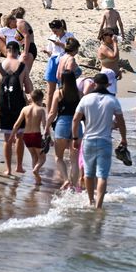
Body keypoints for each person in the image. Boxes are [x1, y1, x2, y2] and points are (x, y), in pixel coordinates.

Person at [71, 72, 128, 208]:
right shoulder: (112, 100)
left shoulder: (86, 99)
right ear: (108, 85)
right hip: (105, 141)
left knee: (89, 174)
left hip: (88, 140)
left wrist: (74, 138)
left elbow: (75, 119)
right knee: (102, 175)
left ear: (94, 84)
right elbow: (121, 122)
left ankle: (90, 200)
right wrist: (124, 139)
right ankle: (98, 205)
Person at [46, 37, 82, 191]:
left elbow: (53, 112)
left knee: (59, 157)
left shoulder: (58, 93)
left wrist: (46, 127)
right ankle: (73, 186)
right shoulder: (79, 93)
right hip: (76, 126)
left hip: (61, 124)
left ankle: (66, 180)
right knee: (74, 160)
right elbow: (82, 112)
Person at [0, 40, 33, 176]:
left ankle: (8, 169)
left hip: (4, 104)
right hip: (18, 104)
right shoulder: (22, 67)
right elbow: (28, 87)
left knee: (7, 138)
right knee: (19, 136)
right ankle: (18, 166)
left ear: (6, 51)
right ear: (18, 52)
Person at [15, 90, 49, 184]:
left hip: (26, 136)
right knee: (42, 158)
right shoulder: (41, 109)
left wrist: (13, 135)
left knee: (34, 156)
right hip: (36, 135)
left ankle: (36, 180)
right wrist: (49, 138)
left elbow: (17, 124)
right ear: (40, 99)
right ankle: (36, 170)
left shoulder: (24, 109)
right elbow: (44, 126)